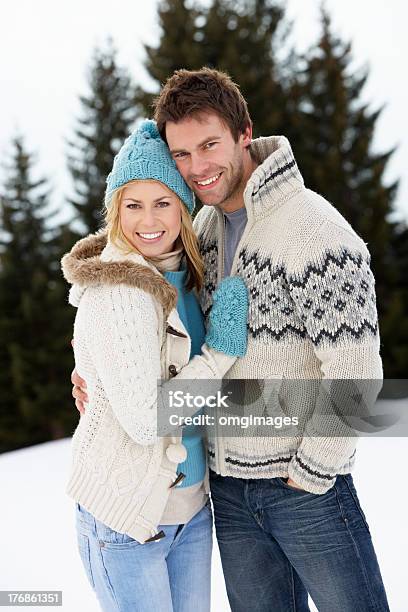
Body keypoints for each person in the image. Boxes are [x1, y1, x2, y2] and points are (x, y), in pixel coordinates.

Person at [72, 68, 390, 611]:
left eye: (210, 144)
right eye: (181, 154)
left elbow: (356, 369)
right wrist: (97, 377)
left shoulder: (314, 230)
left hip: (302, 490)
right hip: (225, 491)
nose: (197, 167)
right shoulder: (203, 232)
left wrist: (312, 471)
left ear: (244, 132)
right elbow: (142, 313)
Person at [61, 119, 248, 612]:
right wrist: (220, 355)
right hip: (129, 518)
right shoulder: (122, 291)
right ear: (115, 210)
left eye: (163, 202)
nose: (149, 219)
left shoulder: (181, 275)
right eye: (133, 204)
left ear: (184, 210)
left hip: (190, 508)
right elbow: (148, 420)